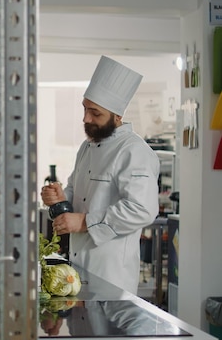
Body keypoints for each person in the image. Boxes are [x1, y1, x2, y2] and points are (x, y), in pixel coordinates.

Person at [40, 55, 160, 295]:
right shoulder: (88, 146)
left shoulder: (134, 151)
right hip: (77, 267)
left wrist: (84, 222)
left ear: (117, 116)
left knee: (106, 333)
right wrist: (60, 198)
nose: (85, 118)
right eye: (85, 109)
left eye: (95, 113)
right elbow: (78, 195)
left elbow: (142, 210)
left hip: (111, 274)